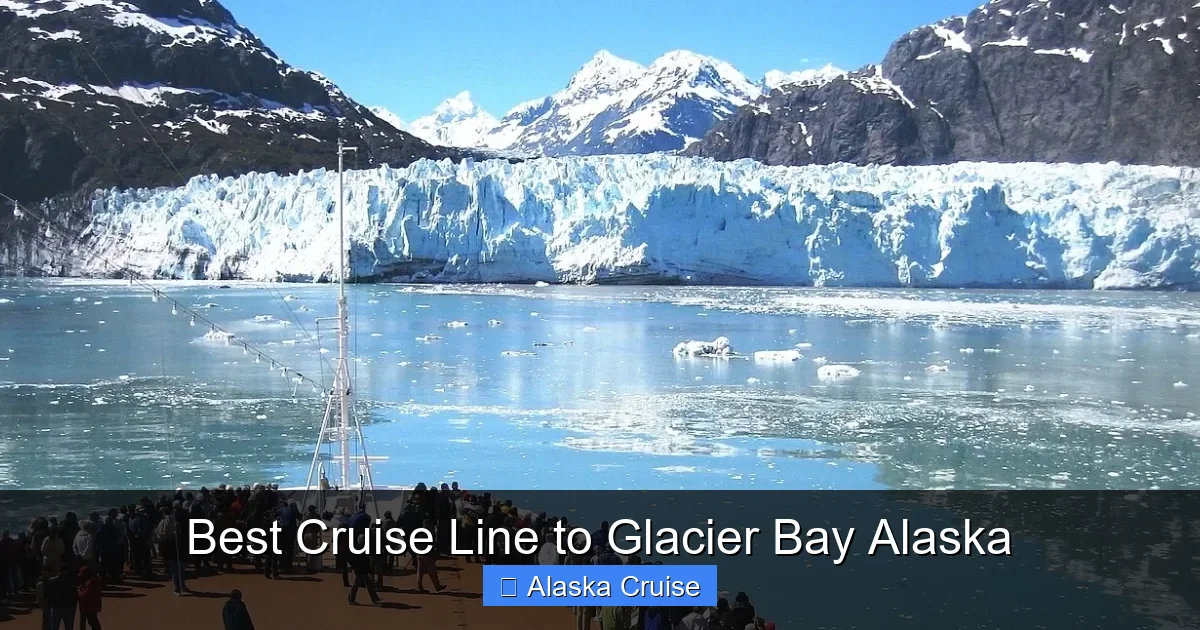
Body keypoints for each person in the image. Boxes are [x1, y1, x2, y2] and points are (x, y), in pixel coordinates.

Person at [346, 532, 381, 605]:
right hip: (361, 570)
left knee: (367, 584)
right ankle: (351, 599)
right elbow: (364, 561)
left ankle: (375, 598)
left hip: (360, 569)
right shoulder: (362, 549)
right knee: (358, 585)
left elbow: (351, 559)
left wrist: (353, 567)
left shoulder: (357, 548)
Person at [46, 563, 76, 630]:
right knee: (68, 627)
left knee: (55, 627)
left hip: (58, 608)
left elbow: (49, 594)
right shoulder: (71, 581)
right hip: (66, 608)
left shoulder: (52, 580)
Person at [76, 565, 103, 630]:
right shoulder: (91, 580)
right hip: (92, 606)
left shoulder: (91, 582)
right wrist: (82, 588)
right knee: (93, 622)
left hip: (91, 606)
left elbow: (86, 595)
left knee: (93, 622)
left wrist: (79, 592)